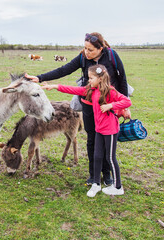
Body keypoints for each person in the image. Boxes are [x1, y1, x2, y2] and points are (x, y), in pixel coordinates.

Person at [26, 32, 130, 186]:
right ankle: (93, 175)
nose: (86, 52)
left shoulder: (112, 56)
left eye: (90, 50)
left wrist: (123, 108)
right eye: (85, 48)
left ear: (100, 48)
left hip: (107, 107)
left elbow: (122, 80)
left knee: (106, 141)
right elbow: (64, 69)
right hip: (88, 106)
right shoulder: (82, 57)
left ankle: (107, 174)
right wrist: (40, 77)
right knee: (92, 140)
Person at [41, 64, 131, 197]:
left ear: (100, 78)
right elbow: (74, 89)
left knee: (110, 157)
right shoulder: (91, 90)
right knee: (97, 156)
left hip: (110, 130)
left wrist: (111, 105)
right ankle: (96, 184)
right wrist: (55, 86)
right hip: (99, 129)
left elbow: (126, 101)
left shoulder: (110, 91)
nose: (89, 80)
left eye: (91, 78)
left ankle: (118, 187)